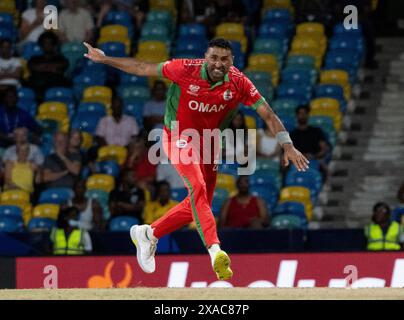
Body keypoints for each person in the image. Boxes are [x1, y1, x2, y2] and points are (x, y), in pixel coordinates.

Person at [84, 38, 308, 280]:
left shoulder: (239, 82)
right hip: (178, 136)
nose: (218, 64)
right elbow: (141, 68)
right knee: (198, 188)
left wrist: (288, 146)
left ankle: (149, 234)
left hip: (210, 144)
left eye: (224, 59)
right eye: (214, 58)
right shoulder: (185, 69)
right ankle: (215, 251)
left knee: (198, 207)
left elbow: (268, 114)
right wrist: (105, 59)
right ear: (206, 57)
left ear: (231, 61)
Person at [27, 31, 69, 100]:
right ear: (41, 45)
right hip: (38, 87)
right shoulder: (35, 59)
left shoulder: (60, 58)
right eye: (45, 43)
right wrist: (51, 68)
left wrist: (43, 67)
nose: (48, 45)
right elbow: (32, 66)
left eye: (50, 43)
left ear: (54, 45)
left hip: (55, 86)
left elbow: (64, 64)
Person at [290, 105, 329, 178]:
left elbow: (324, 148)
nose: (302, 116)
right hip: (297, 161)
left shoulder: (316, 131)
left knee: (325, 168)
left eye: (304, 113)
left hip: (315, 159)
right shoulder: (292, 134)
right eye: (300, 114)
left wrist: (314, 156)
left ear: (308, 115)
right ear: (297, 116)